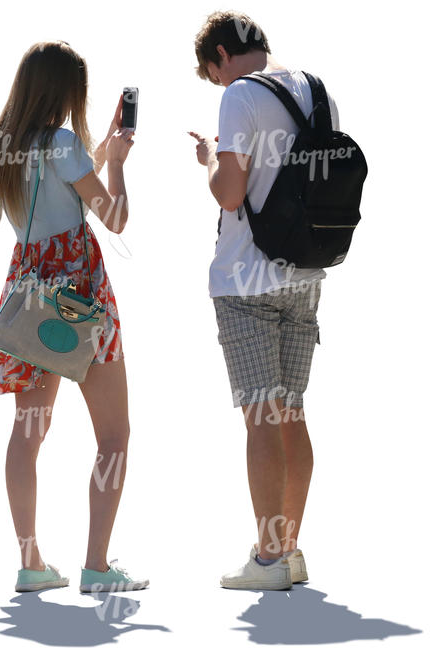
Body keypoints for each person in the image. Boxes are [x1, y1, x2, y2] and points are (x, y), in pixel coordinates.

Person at [0, 40, 148, 593]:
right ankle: (97, 569)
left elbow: (57, 187)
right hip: (80, 294)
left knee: (27, 433)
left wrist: (97, 154)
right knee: (114, 436)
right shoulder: (62, 142)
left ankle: (31, 564)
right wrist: (117, 164)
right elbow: (113, 218)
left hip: (30, 294)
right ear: (65, 90)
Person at [189, 11, 340, 590]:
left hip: (247, 278)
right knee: (292, 413)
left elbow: (230, 194)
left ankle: (269, 558)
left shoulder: (240, 98)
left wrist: (209, 157)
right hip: (305, 272)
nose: (219, 86)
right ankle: (291, 550)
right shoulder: (316, 91)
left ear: (222, 56)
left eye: (213, 74)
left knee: (260, 417)